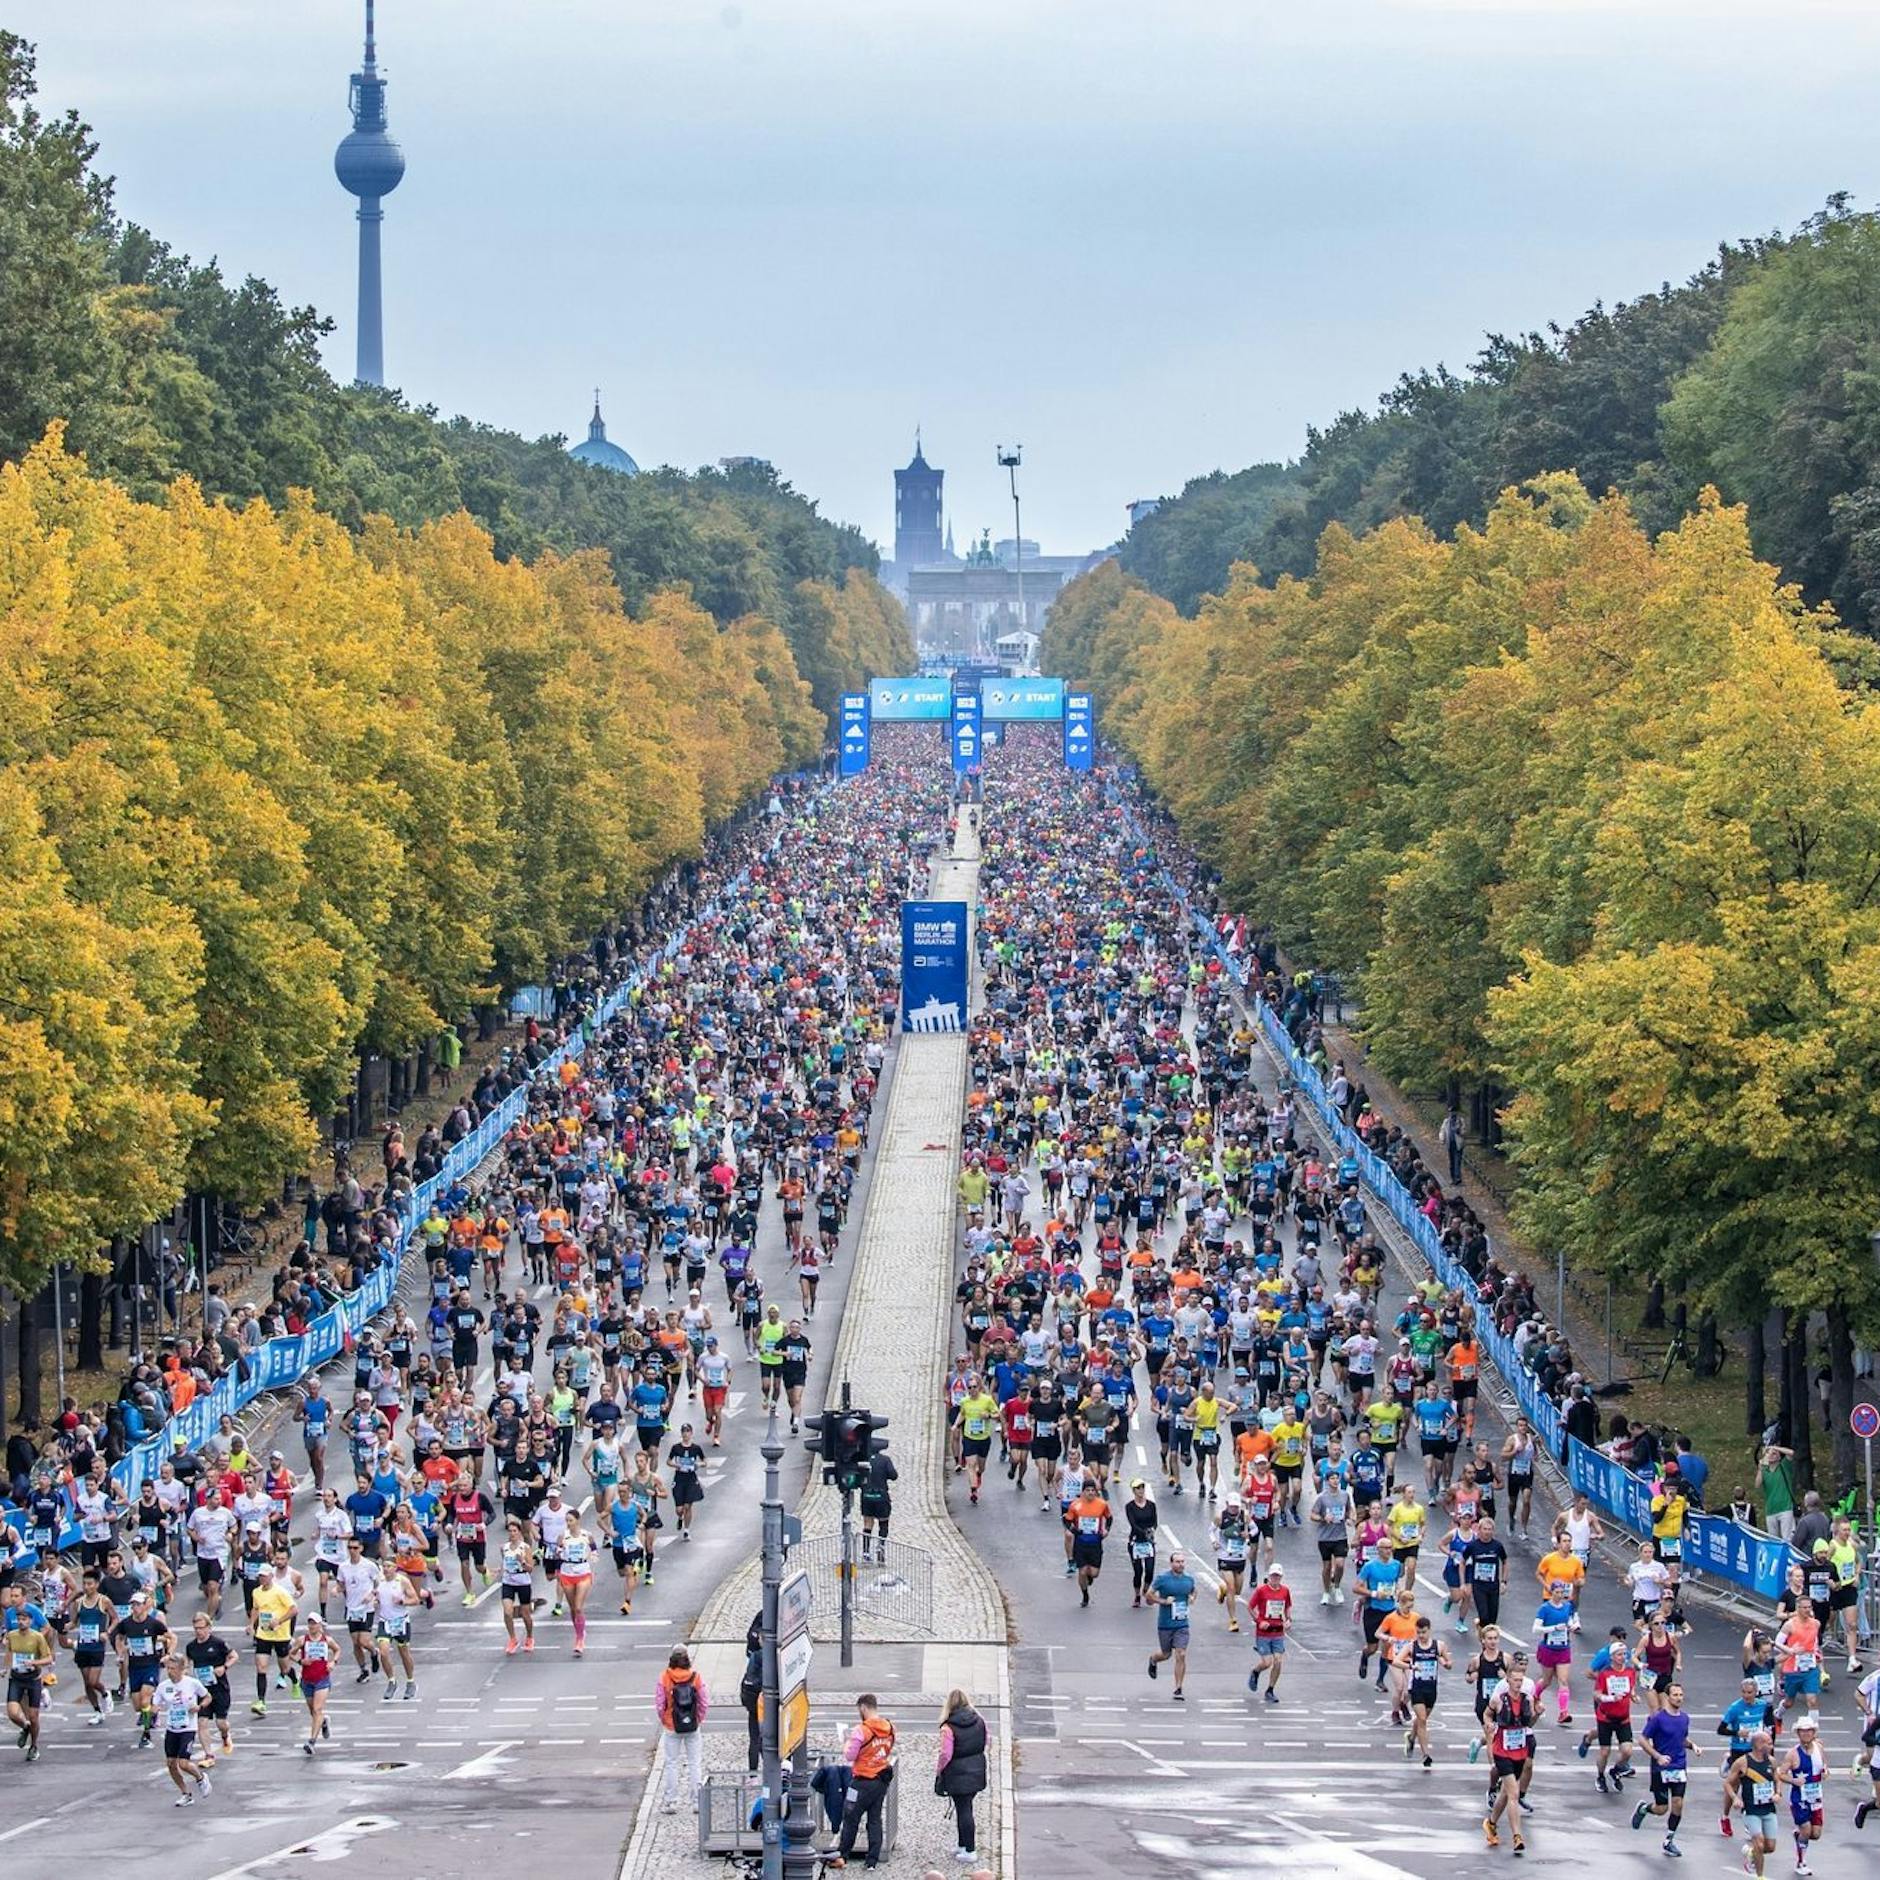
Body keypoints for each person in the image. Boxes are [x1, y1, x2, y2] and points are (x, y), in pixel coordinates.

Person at [1630, 1678, 1697, 1856]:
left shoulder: (1684, 1718)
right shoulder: (1658, 1718)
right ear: (1667, 1697)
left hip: (1679, 1766)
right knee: (1662, 1809)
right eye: (1675, 1695)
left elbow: (1681, 1738)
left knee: (1678, 1803)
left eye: (1681, 1695)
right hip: (1661, 1769)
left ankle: (1669, 1840)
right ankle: (1644, 1808)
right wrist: (1657, 1756)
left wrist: (1692, 1746)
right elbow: (1642, 1739)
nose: (1679, 1698)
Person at [832, 1692, 896, 1871]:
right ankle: (871, 1861)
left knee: (851, 1817)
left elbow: (850, 1755)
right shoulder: (890, 1727)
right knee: (875, 1819)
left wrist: (846, 1742)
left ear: (863, 1708)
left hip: (861, 1780)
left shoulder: (862, 1730)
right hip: (880, 1780)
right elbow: (888, 1748)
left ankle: (842, 1856)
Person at [151, 1651, 214, 1806]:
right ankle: (186, 1794)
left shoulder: (192, 1683)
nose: (170, 1671)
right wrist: (154, 1711)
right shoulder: (163, 1687)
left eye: (173, 1668)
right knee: (171, 1763)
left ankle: (200, 1778)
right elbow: (155, 1704)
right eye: (168, 1668)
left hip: (188, 1728)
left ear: (181, 1669)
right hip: (172, 1728)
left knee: (183, 1763)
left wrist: (199, 1707)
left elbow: (208, 1697)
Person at [936, 1687, 988, 1867]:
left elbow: (945, 1754)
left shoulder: (948, 1727)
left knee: (964, 1810)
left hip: (958, 1772)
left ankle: (970, 1849)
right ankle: (962, 1845)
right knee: (964, 1807)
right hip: (976, 1769)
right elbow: (985, 1741)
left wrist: (939, 1770)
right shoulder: (980, 1721)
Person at [655, 1646, 708, 1815]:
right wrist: (698, 1718)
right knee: (694, 1763)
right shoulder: (695, 1677)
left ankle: (672, 1802)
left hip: (672, 1726)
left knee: (671, 1763)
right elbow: (704, 1701)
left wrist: (665, 1719)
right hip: (692, 1726)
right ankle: (696, 1802)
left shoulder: (665, 1677)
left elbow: (659, 1703)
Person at [1145, 1548, 1195, 1700]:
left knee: (1181, 1654)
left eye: (1182, 1562)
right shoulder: (1162, 1579)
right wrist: (1163, 1601)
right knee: (1166, 1654)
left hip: (1182, 1624)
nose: (1181, 1565)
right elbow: (1148, 1596)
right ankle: (1153, 1660)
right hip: (1165, 1623)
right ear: (1171, 1563)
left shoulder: (1189, 1579)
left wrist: (1192, 1598)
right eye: (1177, 1562)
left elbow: (1194, 1591)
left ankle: (1178, 1688)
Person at [1780, 1714, 1828, 1874]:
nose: (1806, 1734)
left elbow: (1823, 1764)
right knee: (1806, 1830)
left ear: (1814, 1732)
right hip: (1799, 1797)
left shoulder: (1819, 1747)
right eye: (1802, 1731)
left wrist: (1825, 1771)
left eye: (1809, 1731)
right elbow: (1781, 1773)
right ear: (1798, 1733)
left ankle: (1799, 1836)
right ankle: (1800, 1863)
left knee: (1815, 1834)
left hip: (1816, 1795)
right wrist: (1793, 1781)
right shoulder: (1792, 1754)